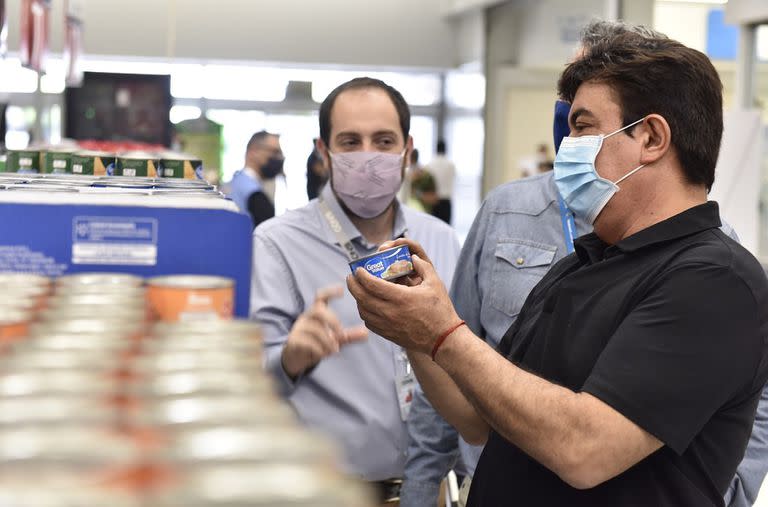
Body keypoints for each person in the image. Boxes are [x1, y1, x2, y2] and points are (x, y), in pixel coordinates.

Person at [349, 32, 768, 506]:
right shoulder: (581, 265)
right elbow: (478, 418)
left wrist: (445, 333)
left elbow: (584, 450)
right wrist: (420, 333)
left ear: (650, 138)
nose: (566, 147)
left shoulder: (714, 280)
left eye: (583, 128)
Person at [250, 77, 460, 506]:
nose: (368, 156)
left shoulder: (439, 240)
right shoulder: (276, 244)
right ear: (323, 152)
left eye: (384, 141)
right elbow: (248, 387)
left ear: (407, 149)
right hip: (324, 493)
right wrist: (291, 357)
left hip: (431, 490)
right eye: (350, 141)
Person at [226, 130, 284, 228]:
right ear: (253, 152)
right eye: (274, 152)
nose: (280, 158)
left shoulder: (234, 183)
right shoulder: (255, 195)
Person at [424, 140, 455, 224]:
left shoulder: (429, 165)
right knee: (447, 228)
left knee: (434, 229)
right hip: (446, 201)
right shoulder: (451, 165)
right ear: (446, 149)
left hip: (433, 201)